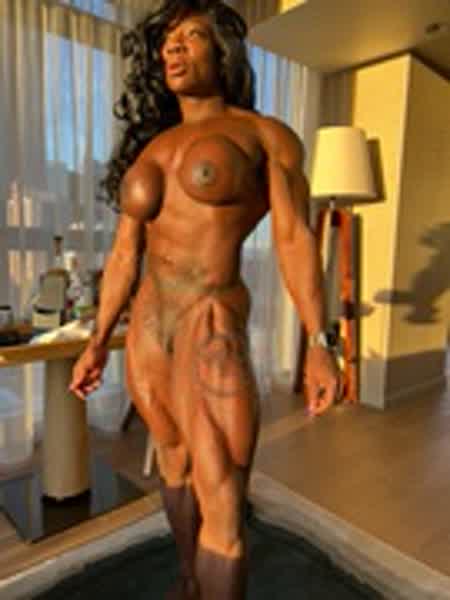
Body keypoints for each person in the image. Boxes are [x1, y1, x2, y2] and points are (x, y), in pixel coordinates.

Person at [69, 1, 339, 598]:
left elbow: (294, 238)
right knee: (172, 461)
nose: (173, 48)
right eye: (168, 40)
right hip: (148, 329)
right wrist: (97, 340)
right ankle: (191, 577)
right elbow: (124, 254)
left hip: (208, 323)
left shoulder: (263, 135)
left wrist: (320, 341)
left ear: (223, 52)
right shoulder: (151, 149)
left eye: (191, 36)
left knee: (222, 494)